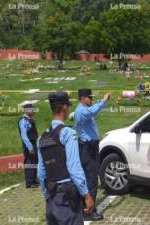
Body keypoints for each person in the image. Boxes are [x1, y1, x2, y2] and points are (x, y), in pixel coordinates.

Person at [38, 92, 95, 225]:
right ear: (64, 108)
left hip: (51, 199)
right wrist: (86, 195)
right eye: (68, 106)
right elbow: (74, 168)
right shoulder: (68, 133)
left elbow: (41, 173)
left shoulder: (42, 137)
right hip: (67, 201)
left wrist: (47, 196)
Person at [74, 89, 110, 221]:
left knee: (87, 177)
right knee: (91, 179)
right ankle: (89, 211)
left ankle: (83, 207)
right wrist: (104, 100)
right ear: (84, 98)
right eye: (90, 97)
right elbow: (93, 111)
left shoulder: (82, 110)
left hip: (88, 147)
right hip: (88, 148)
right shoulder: (83, 110)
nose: (91, 99)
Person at [18, 103, 39, 188]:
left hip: (33, 143)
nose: (33, 111)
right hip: (29, 145)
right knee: (29, 162)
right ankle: (29, 182)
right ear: (27, 111)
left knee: (34, 161)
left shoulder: (29, 119)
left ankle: (33, 180)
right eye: (31, 109)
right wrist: (30, 147)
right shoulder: (24, 121)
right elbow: (24, 135)